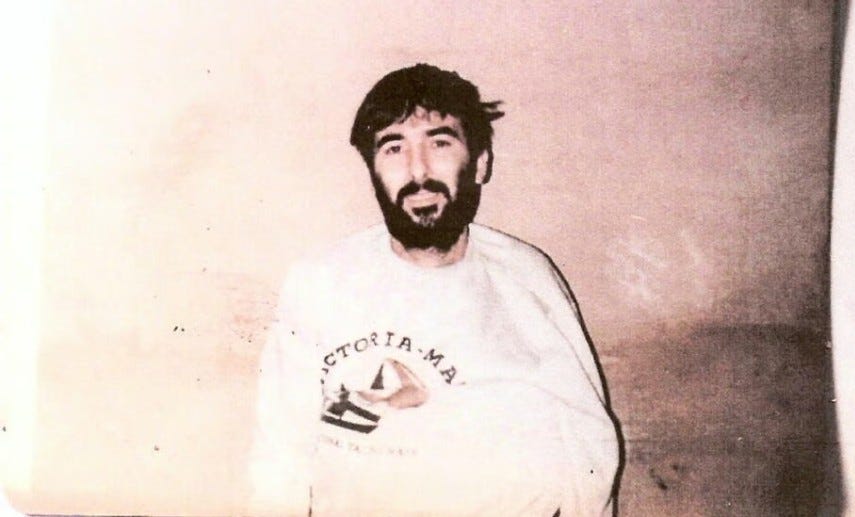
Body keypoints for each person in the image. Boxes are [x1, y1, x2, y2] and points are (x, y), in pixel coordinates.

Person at [249, 63, 621, 516]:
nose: (418, 170)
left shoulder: (526, 279)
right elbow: (280, 454)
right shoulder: (321, 282)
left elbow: (589, 447)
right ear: (372, 170)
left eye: (439, 143)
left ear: (480, 164)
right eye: (393, 148)